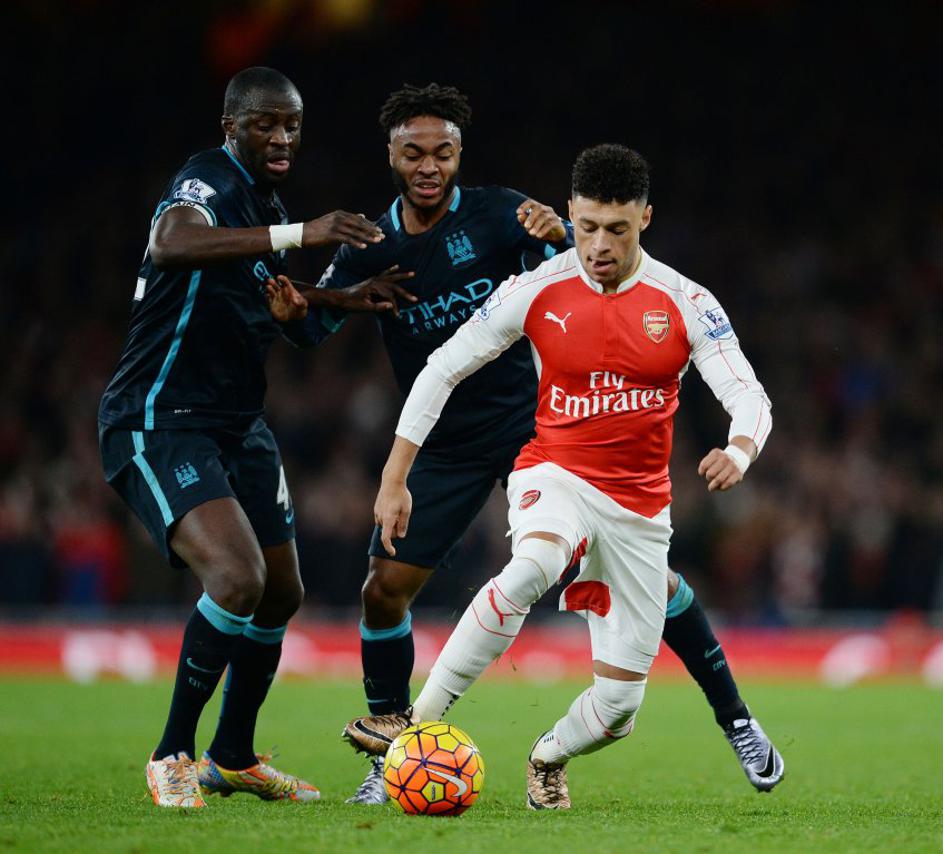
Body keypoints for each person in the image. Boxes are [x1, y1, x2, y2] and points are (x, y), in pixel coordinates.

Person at [309, 84, 782, 803]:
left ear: (645, 218)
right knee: (533, 562)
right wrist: (394, 474)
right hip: (551, 468)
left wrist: (738, 449)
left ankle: (548, 756)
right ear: (569, 215)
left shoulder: (686, 301)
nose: (598, 246)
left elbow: (748, 394)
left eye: (616, 229)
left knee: (618, 709)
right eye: (586, 227)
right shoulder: (537, 287)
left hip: (637, 505)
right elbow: (442, 367)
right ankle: (409, 729)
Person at [98, 66, 411, 808]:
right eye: (265, 123)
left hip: (239, 426)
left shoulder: (262, 206)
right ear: (230, 127)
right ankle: (171, 753)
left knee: (279, 593)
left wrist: (337, 299)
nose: (281, 137)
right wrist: (302, 234)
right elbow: (172, 243)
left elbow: (274, 305)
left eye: (292, 125)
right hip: (161, 420)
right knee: (237, 579)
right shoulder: (206, 181)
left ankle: (232, 756)